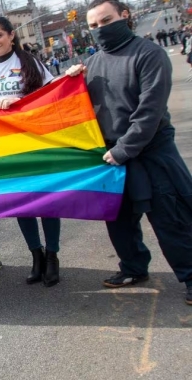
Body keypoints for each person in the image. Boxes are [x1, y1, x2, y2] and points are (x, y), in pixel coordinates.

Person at [67, 0, 192, 305]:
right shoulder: (92, 63)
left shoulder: (150, 54)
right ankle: (134, 268)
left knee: (170, 219)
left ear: (124, 16)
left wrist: (124, 149)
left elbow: (149, 112)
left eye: (106, 21)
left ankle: (191, 276)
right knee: (119, 220)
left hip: (151, 152)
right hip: (112, 156)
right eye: (93, 26)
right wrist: (70, 83)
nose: (100, 30)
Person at [0, 16, 60, 287]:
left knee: (46, 202)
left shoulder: (30, 62)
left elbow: (52, 95)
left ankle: (53, 256)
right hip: (3, 148)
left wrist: (22, 101)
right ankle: (36, 255)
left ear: (10, 35)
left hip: (35, 144)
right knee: (22, 203)